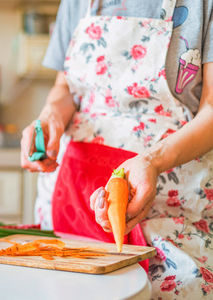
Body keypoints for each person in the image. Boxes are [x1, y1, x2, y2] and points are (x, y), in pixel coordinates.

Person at [20, 0, 213, 298]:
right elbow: (65, 88)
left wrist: (151, 161)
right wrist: (49, 118)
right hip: (73, 196)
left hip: (168, 204)